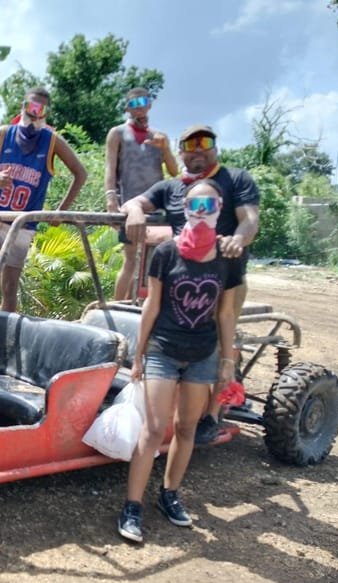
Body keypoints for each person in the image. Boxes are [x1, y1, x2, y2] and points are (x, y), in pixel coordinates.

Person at [117, 179, 243, 543]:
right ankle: (132, 506)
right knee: (153, 429)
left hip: (203, 354)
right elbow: (151, 306)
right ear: (184, 210)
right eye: (194, 207)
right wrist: (137, 355)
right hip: (163, 350)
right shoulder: (167, 252)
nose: (201, 215)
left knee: (186, 429)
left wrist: (227, 360)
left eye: (210, 208)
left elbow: (225, 313)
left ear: (220, 210)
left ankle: (169, 494)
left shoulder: (227, 258)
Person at [120, 124, 260, 443]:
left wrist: (238, 240)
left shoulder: (235, 180)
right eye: (189, 144)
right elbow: (136, 202)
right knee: (166, 331)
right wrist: (135, 213)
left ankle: (211, 415)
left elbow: (249, 219)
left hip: (224, 278)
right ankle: (170, 404)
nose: (198, 149)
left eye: (205, 142)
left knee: (222, 340)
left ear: (215, 146)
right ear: (180, 152)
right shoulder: (171, 187)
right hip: (179, 276)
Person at [0, 87, 87, 312]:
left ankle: (2, 337)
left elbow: (80, 173)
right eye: (30, 107)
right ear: (22, 107)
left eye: (40, 109)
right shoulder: (3, 134)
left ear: (45, 113)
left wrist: (60, 211)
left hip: (21, 222)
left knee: (9, 287)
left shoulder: (52, 141)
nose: (34, 114)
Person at [105, 88, 178, 300]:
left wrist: (165, 149)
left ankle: (143, 307)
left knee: (153, 261)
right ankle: (118, 307)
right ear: (127, 107)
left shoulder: (159, 136)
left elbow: (173, 171)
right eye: (134, 103)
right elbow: (110, 168)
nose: (139, 107)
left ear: (150, 104)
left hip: (156, 207)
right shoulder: (118, 133)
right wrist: (111, 199)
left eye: (143, 101)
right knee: (130, 259)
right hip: (129, 206)